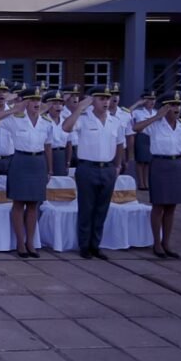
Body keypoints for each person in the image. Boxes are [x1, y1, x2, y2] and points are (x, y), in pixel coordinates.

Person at [62, 85, 124, 260]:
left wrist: (118, 166)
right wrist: (80, 107)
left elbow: (120, 143)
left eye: (107, 98)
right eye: (101, 98)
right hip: (87, 168)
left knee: (102, 209)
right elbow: (66, 127)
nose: (106, 102)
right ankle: (84, 245)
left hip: (108, 168)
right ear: (92, 101)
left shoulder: (115, 121)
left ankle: (95, 245)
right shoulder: (83, 118)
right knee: (86, 208)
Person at [0, 86, 52, 258]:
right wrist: (14, 109)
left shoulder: (46, 122)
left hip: (38, 162)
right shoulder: (15, 119)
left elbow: (48, 146)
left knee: (33, 205)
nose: (36, 103)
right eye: (32, 100)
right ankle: (20, 243)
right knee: (18, 204)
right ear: (25, 102)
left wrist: (50, 169)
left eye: (38, 100)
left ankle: (30, 242)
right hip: (20, 161)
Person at [133, 92, 181, 258]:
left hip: (177, 165)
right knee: (158, 206)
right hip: (160, 164)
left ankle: (166, 243)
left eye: (178, 105)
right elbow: (136, 128)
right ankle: (157, 243)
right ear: (164, 107)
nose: (176, 108)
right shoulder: (155, 124)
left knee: (172, 206)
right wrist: (157, 116)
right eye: (172, 105)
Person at [132, 91, 157, 190]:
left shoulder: (156, 112)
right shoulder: (137, 112)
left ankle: (146, 182)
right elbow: (126, 113)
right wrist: (138, 103)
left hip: (153, 138)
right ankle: (140, 183)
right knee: (140, 161)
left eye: (153, 99)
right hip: (142, 136)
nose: (152, 101)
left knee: (148, 162)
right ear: (144, 100)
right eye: (149, 99)